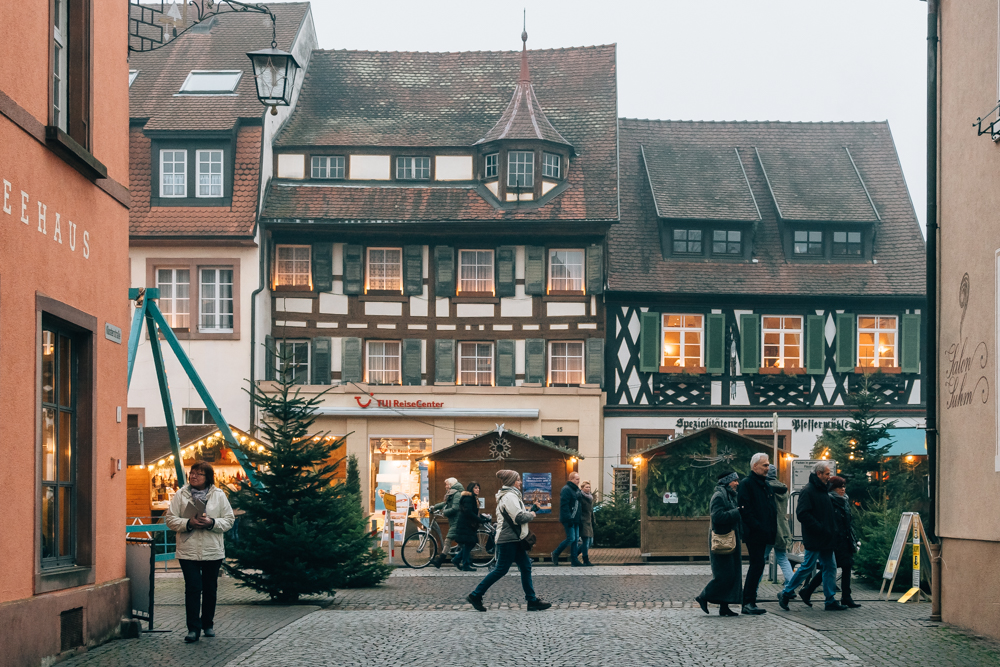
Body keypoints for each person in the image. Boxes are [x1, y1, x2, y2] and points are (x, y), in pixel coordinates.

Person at [164, 461, 235, 643]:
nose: (193, 476)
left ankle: (208, 624)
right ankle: (193, 628)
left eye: (198, 474)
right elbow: (170, 519)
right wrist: (188, 523)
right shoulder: (181, 495)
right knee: (193, 588)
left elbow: (229, 520)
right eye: (192, 473)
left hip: (212, 550)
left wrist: (212, 523)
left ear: (207, 477)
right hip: (188, 550)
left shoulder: (219, 495)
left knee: (210, 588)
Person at [467, 470, 551, 612]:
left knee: (525, 567)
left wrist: (533, 509)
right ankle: (475, 595)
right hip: (508, 539)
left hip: (515, 539)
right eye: (518, 480)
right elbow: (519, 518)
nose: (520, 482)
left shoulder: (512, 495)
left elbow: (517, 514)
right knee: (501, 570)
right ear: (512, 482)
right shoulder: (509, 496)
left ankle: (532, 600)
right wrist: (532, 514)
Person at [778, 462, 848, 612]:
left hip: (826, 537)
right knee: (808, 566)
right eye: (827, 474)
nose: (829, 477)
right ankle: (786, 592)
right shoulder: (808, 490)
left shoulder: (822, 490)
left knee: (830, 566)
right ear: (819, 474)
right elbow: (802, 514)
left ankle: (830, 600)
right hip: (816, 537)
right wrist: (820, 528)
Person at [799, 476, 862, 608]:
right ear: (833, 488)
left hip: (845, 538)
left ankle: (846, 596)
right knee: (830, 567)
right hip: (834, 539)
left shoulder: (844, 501)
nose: (843, 489)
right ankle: (809, 590)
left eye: (844, 486)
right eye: (839, 487)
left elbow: (847, 522)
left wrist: (853, 538)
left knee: (846, 566)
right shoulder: (829, 500)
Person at [695, 470, 743, 617]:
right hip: (722, 540)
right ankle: (703, 596)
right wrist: (737, 512)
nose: (737, 483)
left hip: (729, 539)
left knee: (731, 573)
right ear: (727, 482)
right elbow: (717, 517)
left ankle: (724, 606)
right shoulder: (719, 496)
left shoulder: (729, 495)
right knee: (724, 575)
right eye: (734, 481)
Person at [738, 452, 776, 615]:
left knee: (758, 565)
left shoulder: (764, 484)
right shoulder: (747, 484)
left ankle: (749, 600)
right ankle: (748, 601)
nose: (768, 468)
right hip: (755, 533)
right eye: (765, 465)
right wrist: (758, 527)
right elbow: (745, 510)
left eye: (768, 465)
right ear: (755, 466)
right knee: (757, 565)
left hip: (763, 532)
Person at [762, 464, 795, 585]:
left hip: (769, 528)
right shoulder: (784, 489)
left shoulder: (765, 488)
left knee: (760, 560)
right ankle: (791, 585)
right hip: (782, 528)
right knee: (782, 558)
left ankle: (753, 588)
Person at [550, 471, 584, 566]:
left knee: (575, 539)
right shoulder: (566, 489)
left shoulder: (576, 490)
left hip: (575, 518)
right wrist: (568, 518)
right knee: (571, 538)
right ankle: (556, 553)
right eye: (577, 479)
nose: (578, 481)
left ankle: (574, 559)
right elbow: (564, 506)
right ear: (571, 479)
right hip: (569, 518)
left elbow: (578, 505)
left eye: (579, 479)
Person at [430, 477, 464, 568]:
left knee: (448, 539)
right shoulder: (452, 493)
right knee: (462, 543)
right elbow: (445, 504)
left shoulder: (457, 494)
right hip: (454, 520)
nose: (445, 486)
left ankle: (439, 561)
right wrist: (434, 507)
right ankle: (465, 560)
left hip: (457, 520)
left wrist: (444, 512)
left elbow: (455, 508)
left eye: (446, 484)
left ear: (451, 485)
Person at [454, 481, 487, 571]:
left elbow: (474, 512)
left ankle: (458, 559)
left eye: (478, 488)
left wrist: (483, 518)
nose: (478, 489)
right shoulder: (469, 498)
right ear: (471, 489)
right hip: (466, 524)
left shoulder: (473, 498)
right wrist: (480, 520)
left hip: (468, 525)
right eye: (475, 488)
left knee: (470, 543)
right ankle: (464, 564)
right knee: (470, 543)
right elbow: (468, 512)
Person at [579, 480, 596, 567]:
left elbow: (591, 511)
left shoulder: (590, 497)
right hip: (583, 521)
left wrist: (593, 520)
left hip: (589, 521)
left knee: (590, 541)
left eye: (589, 487)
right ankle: (585, 559)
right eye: (586, 487)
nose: (588, 489)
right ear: (582, 488)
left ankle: (575, 554)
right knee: (586, 541)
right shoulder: (581, 497)